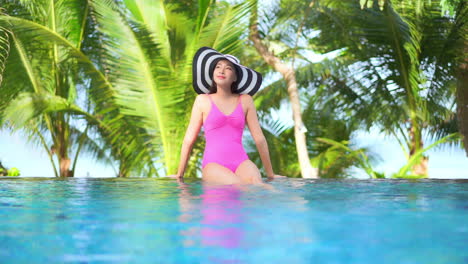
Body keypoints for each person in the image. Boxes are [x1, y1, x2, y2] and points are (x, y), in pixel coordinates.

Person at [170, 47, 284, 185]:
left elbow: (259, 139)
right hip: (213, 165)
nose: (222, 70)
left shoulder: (246, 100)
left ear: (235, 76)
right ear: (212, 73)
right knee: (237, 185)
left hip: (241, 162)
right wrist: (179, 174)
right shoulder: (202, 100)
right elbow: (189, 139)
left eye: (228, 68)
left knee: (257, 184)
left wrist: (271, 174)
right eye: (218, 67)